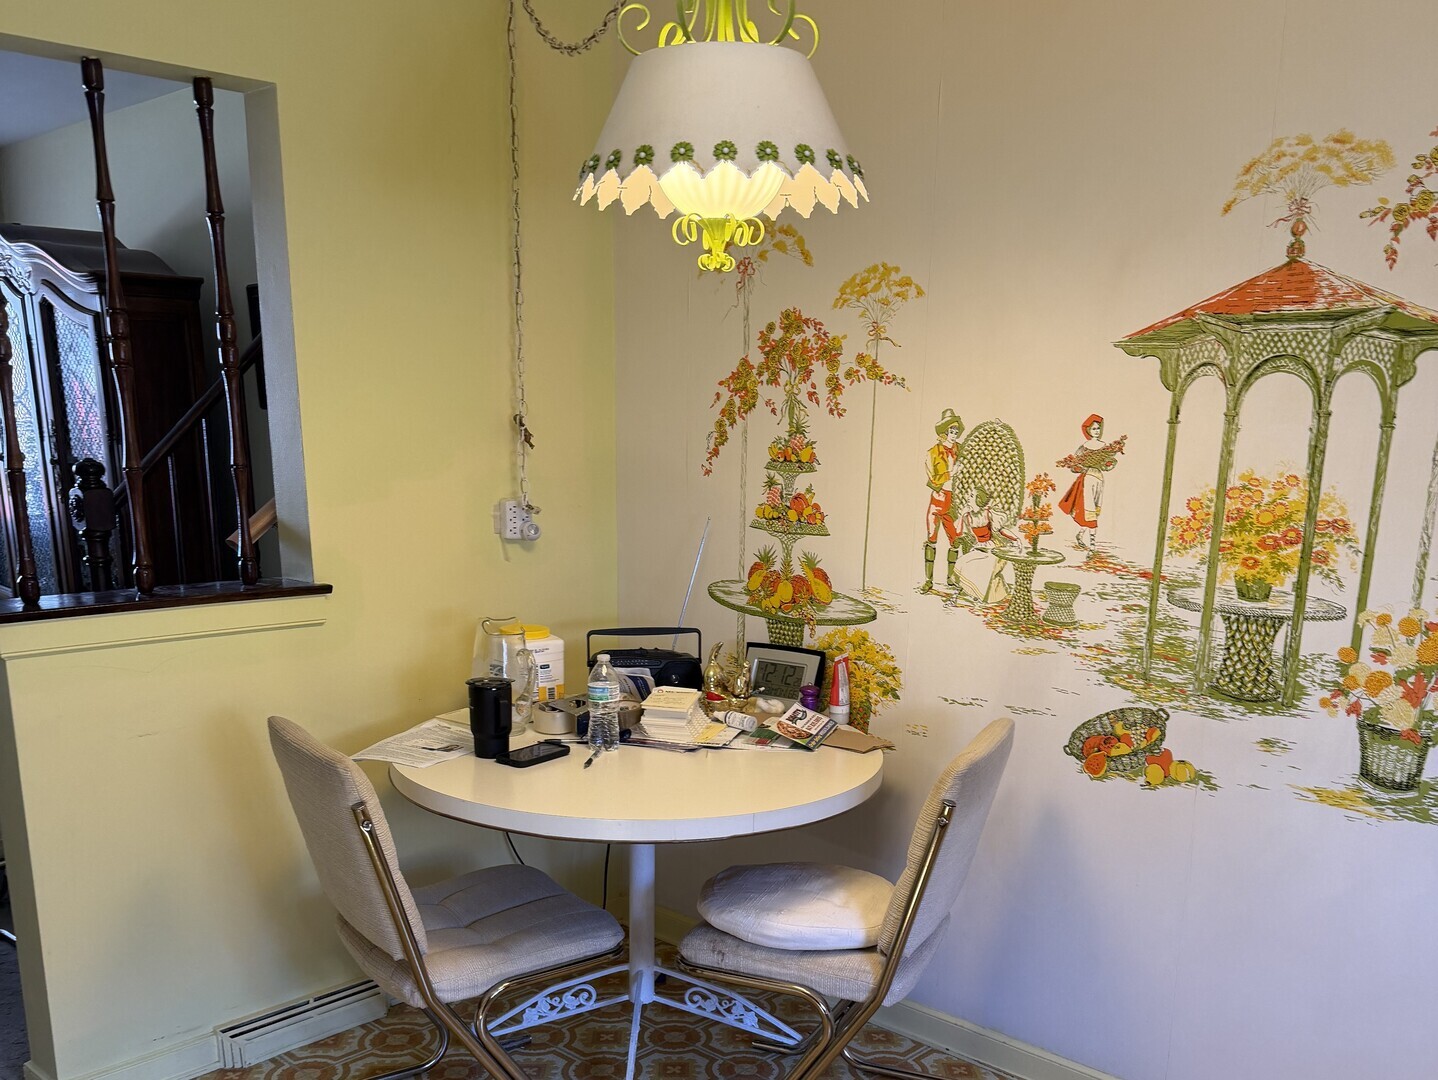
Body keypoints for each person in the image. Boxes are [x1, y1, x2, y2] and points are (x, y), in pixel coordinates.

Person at [921, 408, 964, 593]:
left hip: (954, 501)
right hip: (938, 500)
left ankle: (950, 579)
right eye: (951, 430)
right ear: (944, 432)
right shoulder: (932, 452)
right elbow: (932, 479)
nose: (954, 434)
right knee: (931, 539)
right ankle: (928, 580)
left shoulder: (961, 450)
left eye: (956, 431)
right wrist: (950, 473)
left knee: (955, 541)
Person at [1059, 413, 1115, 551]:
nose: (1096, 431)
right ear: (1088, 430)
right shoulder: (1084, 447)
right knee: (1089, 511)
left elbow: (1108, 464)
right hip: (1088, 479)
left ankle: (1080, 535)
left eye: (1098, 428)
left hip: (1099, 479)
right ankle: (1092, 546)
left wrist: (1107, 464)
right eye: (1094, 428)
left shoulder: (1104, 446)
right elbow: (1074, 465)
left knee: (1095, 510)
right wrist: (1079, 467)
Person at [953, 486, 1017, 604]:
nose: (968, 498)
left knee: (984, 566)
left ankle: (979, 595)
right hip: (979, 548)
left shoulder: (988, 513)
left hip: (993, 549)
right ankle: (973, 593)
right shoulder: (968, 517)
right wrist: (962, 515)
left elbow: (1001, 530)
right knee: (962, 562)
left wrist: (1015, 539)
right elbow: (957, 531)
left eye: (971, 496)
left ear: (978, 499)